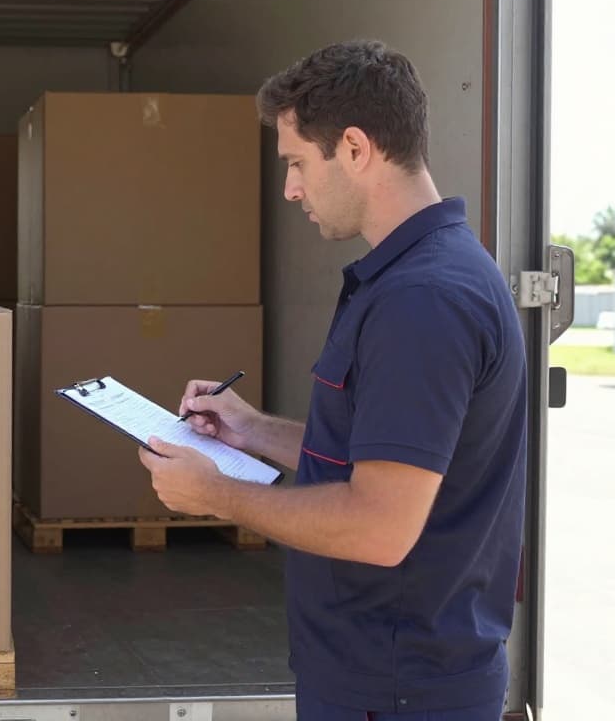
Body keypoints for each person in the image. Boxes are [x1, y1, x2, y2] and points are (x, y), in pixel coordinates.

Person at [138, 40, 527, 720]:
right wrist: (251, 430)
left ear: (354, 147)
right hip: (386, 677)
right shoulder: (418, 277)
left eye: (295, 162)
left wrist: (217, 495)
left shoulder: (423, 300)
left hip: (399, 689)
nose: (290, 188)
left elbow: (380, 526)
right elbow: (382, 457)